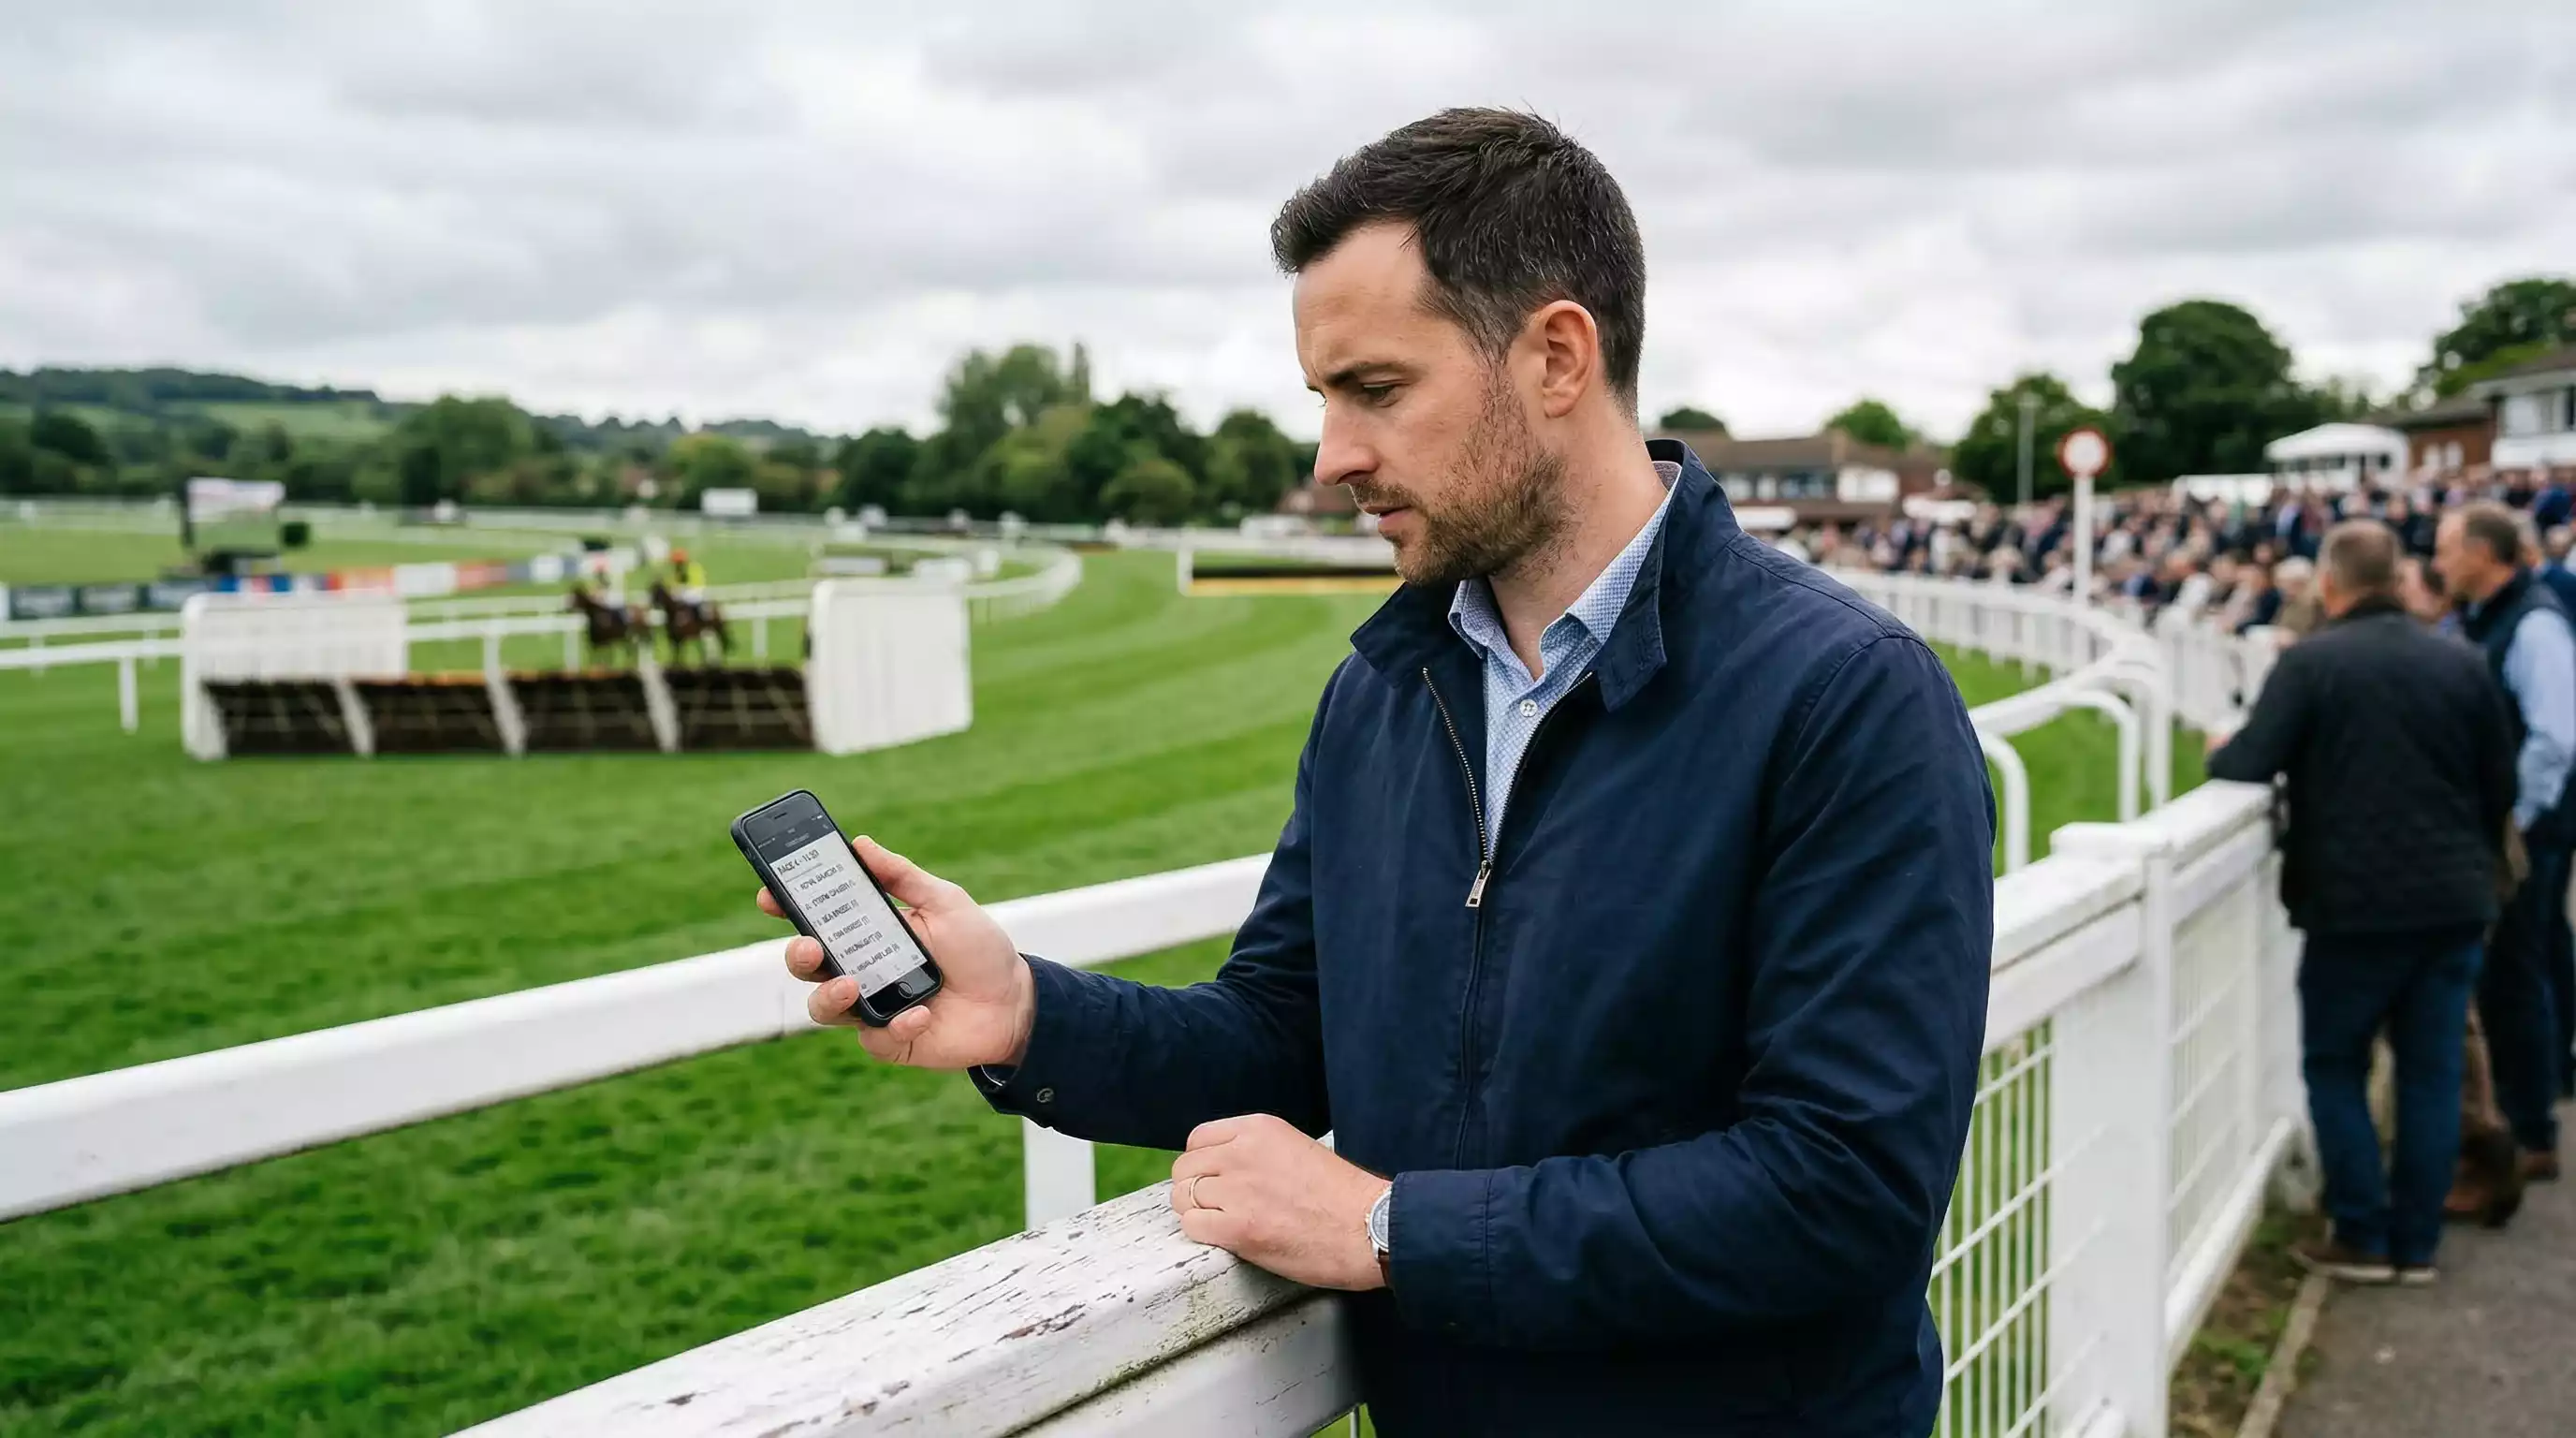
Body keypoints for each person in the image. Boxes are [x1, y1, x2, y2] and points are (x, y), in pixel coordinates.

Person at [760, 108, 1997, 1436]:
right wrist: (1024, 1016)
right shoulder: (1384, 689)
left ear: (1558, 357)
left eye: (1378, 390)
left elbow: (1841, 1190)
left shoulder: (1847, 696)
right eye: (1325, 398)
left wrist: (1394, 1228)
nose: (1331, 456)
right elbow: (1285, 1037)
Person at [2206, 521, 2516, 1282]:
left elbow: (2251, 761)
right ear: (2400, 578)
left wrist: (2219, 746)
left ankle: (2361, 1231)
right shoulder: (2463, 659)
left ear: (2332, 585)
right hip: (2453, 901)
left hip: (2353, 908)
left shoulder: (2313, 662)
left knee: (2336, 1064)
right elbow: (2500, 784)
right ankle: (2416, 1242)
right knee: (2432, 1074)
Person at [2436, 502, 2576, 1181]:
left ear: (2483, 553)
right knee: (2517, 972)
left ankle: (2531, 1132)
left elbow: (2555, 735)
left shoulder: (2536, 623)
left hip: (2528, 830)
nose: (2439, 565)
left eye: (2447, 550)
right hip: (2514, 825)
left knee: (2517, 977)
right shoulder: (2494, 617)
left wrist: (2513, 818)